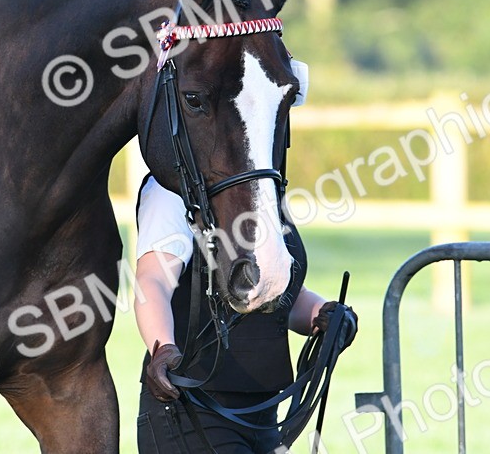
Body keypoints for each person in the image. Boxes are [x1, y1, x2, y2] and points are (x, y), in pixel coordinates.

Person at [133, 62, 357, 453]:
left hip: (262, 413)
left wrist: (323, 314)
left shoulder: (259, 195)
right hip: (193, 414)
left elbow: (264, 293)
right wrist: (162, 347)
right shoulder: (172, 192)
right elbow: (152, 280)